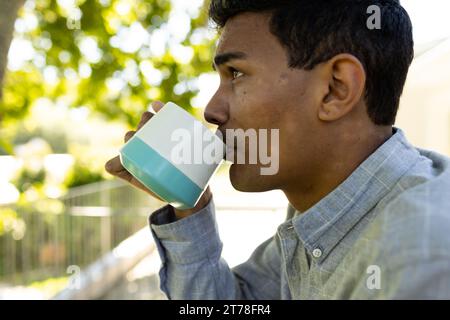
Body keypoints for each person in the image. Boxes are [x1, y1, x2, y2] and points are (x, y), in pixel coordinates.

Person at [105, 0, 450, 299]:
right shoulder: (319, 212)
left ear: (335, 89)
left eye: (236, 73)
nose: (211, 110)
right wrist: (189, 206)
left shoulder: (420, 256)